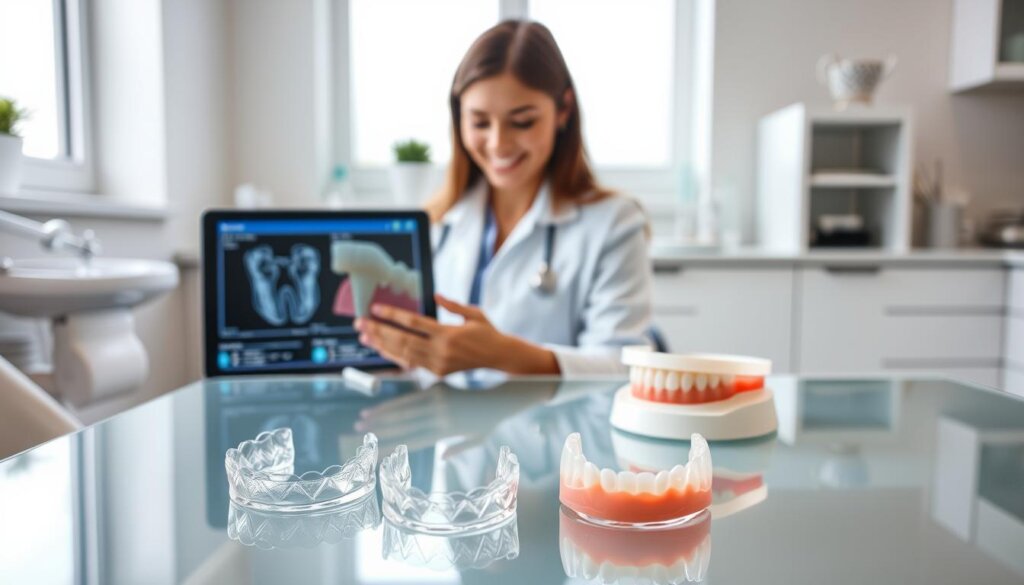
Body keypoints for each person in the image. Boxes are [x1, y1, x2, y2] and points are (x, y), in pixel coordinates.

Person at [354, 20, 652, 377]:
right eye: (480, 123)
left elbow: (622, 366)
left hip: (554, 416)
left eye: (522, 122)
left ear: (563, 110)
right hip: (440, 413)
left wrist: (505, 355)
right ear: (458, 119)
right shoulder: (435, 223)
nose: (499, 144)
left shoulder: (615, 223)